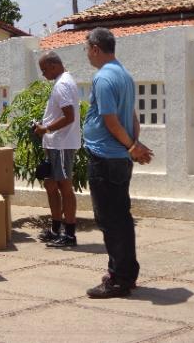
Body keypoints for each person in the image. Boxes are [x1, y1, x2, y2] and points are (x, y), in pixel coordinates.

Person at [82, 28, 153, 299]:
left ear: (96, 48)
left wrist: (133, 146)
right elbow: (132, 117)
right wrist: (133, 145)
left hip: (106, 158)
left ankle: (119, 279)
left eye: (87, 48)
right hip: (119, 157)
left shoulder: (102, 78)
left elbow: (111, 121)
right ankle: (125, 272)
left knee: (110, 220)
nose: (87, 54)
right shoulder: (124, 75)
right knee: (121, 217)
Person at [33, 52, 81, 247]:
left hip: (61, 144)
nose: (43, 74)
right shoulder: (63, 81)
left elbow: (69, 116)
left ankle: (69, 235)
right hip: (54, 144)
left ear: (54, 65)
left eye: (44, 69)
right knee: (51, 185)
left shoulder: (62, 84)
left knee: (64, 187)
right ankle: (55, 229)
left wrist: (46, 128)